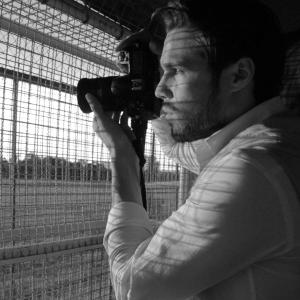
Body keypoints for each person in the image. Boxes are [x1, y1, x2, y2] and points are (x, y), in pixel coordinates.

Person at [86, 0, 300, 299]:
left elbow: (132, 287)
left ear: (238, 75)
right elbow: (191, 153)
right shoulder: (277, 139)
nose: (160, 89)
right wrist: (158, 108)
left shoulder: (250, 168)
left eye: (176, 69)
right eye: (161, 73)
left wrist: (121, 159)